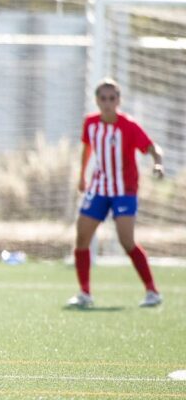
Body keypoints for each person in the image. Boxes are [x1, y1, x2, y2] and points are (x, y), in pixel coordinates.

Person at [67, 78, 164, 309]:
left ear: (119, 100)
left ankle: (152, 291)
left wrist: (158, 163)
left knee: (126, 241)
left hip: (124, 190)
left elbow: (152, 147)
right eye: (103, 98)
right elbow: (87, 148)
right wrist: (82, 175)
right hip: (99, 188)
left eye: (112, 98)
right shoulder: (90, 123)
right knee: (82, 238)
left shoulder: (128, 126)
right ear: (97, 101)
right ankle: (84, 293)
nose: (108, 103)